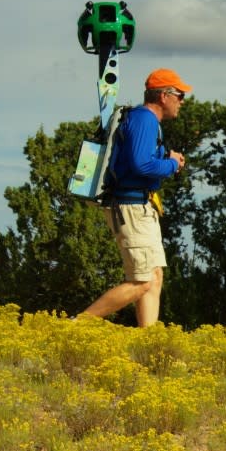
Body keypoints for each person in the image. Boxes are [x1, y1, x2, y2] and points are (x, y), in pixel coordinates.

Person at [80, 68, 189, 326]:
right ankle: (76, 326)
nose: (182, 101)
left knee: (154, 277)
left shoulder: (144, 121)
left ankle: (148, 344)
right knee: (141, 281)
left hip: (139, 206)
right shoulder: (145, 120)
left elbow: (139, 161)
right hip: (132, 208)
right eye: (180, 95)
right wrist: (172, 164)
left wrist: (166, 159)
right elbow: (141, 165)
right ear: (164, 96)